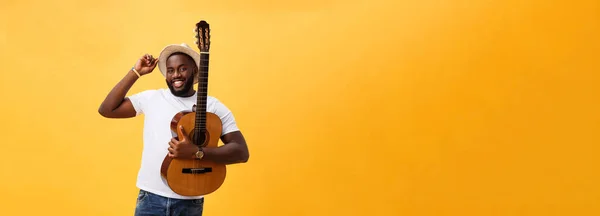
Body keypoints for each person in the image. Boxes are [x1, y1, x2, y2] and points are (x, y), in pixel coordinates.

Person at [98, 43, 249, 216]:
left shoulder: (214, 106)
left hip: (189, 202)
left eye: (182, 68)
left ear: (194, 70)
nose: (176, 74)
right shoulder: (151, 98)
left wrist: (197, 152)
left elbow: (241, 152)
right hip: (150, 199)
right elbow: (107, 109)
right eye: (170, 70)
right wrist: (136, 72)